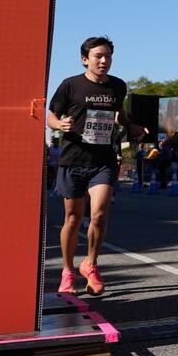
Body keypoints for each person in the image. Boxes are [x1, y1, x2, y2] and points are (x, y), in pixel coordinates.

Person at [46, 36, 137, 297]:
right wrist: (59, 125)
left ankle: (91, 264)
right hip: (73, 159)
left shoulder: (118, 86)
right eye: (98, 56)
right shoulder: (70, 85)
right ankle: (67, 271)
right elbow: (51, 115)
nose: (104, 60)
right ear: (85, 59)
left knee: (98, 215)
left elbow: (119, 114)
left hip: (102, 160)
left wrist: (131, 126)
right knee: (73, 219)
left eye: (108, 56)